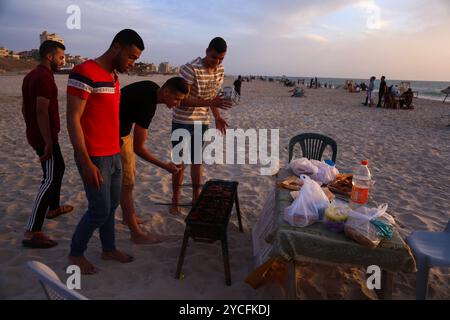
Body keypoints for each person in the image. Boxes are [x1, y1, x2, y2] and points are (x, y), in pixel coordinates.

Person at [66, 29, 144, 274]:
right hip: (95, 156)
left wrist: (120, 149)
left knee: (111, 207)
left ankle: (108, 249)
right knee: (99, 208)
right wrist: (86, 161)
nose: (132, 64)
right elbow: (73, 118)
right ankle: (75, 253)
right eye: (131, 57)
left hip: (114, 152)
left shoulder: (113, 77)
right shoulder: (84, 72)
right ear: (117, 47)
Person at [119, 77, 189, 244]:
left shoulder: (151, 87)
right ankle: (136, 234)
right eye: (177, 99)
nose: (178, 104)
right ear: (166, 92)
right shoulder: (148, 106)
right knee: (127, 184)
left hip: (120, 131)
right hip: (115, 135)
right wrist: (165, 166)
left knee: (129, 177)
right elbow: (139, 148)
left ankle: (127, 218)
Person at [170, 37, 232, 215]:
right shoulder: (190, 69)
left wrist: (217, 117)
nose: (217, 62)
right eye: (214, 57)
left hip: (202, 122)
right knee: (179, 163)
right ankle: (175, 199)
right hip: (182, 120)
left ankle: (196, 197)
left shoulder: (219, 70)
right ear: (206, 51)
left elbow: (213, 97)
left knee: (197, 161)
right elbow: (181, 100)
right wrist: (210, 101)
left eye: (221, 58)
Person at [21, 40, 74, 249]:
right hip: (45, 137)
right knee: (50, 177)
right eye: (61, 57)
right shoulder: (44, 78)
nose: (64, 61)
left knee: (58, 168)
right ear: (49, 57)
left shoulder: (31, 76)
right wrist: (48, 142)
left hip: (38, 134)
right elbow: (41, 111)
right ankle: (33, 231)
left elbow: (25, 110)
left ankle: (53, 208)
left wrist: (32, 130)